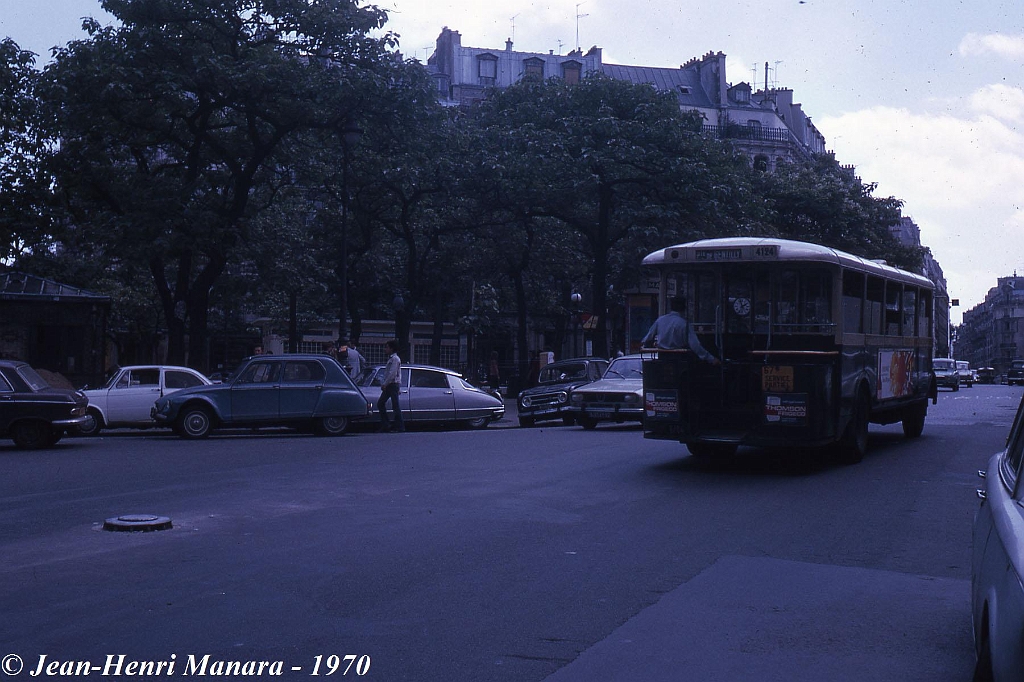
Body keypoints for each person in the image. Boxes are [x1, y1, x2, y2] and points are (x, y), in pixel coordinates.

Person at [641, 297, 720, 364]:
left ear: (671, 307)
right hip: (679, 360)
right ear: (684, 308)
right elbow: (695, 345)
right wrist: (711, 359)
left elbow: (647, 338)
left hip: (662, 358)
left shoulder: (660, 320)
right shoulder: (684, 324)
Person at [377, 339, 404, 433]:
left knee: (395, 405)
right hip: (391, 384)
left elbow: (392, 373)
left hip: (392, 384)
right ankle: (386, 424)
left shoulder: (395, 359)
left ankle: (399, 426)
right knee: (381, 403)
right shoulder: (391, 359)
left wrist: (385, 384)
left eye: (387, 347)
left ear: (392, 348)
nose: (385, 349)